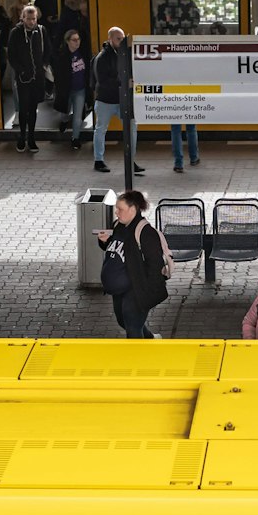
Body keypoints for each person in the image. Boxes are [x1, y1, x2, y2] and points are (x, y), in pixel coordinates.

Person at [94, 190, 170, 339]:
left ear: (133, 210)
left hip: (136, 290)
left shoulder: (146, 233)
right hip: (119, 289)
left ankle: (138, 360)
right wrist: (104, 242)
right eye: (116, 208)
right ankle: (151, 339)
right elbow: (116, 248)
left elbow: (155, 266)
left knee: (133, 327)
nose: (116, 212)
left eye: (120, 209)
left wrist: (146, 295)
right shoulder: (118, 225)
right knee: (124, 321)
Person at [89, 26, 145, 176]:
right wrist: (124, 83)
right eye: (118, 39)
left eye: (122, 38)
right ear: (110, 39)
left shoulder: (125, 54)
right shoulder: (101, 58)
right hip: (105, 100)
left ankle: (130, 160)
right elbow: (103, 81)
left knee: (132, 127)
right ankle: (98, 160)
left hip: (122, 99)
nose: (121, 41)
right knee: (101, 129)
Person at [7, 4, 49, 154]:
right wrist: (21, 70)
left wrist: (43, 65)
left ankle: (31, 138)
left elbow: (47, 50)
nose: (31, 22)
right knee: (23, 109)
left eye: (34, 19)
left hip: (37, 77)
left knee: (33, 109)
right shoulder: (16, 33)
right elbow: (11, 55)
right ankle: (22, 137)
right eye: (29, 19)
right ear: (22, 18)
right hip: (23, 78)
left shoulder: (42, 31)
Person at [53, 28, 91, 145]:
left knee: (77, 115)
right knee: (65, 111)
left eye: (78, 39)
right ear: (67, 41)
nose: (77, 42)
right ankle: (64, 121)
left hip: (80, 89)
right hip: (67, 90)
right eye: (74, 40)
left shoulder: (83, 53)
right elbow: (59, 76)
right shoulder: (62, 57)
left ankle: (75, 138)